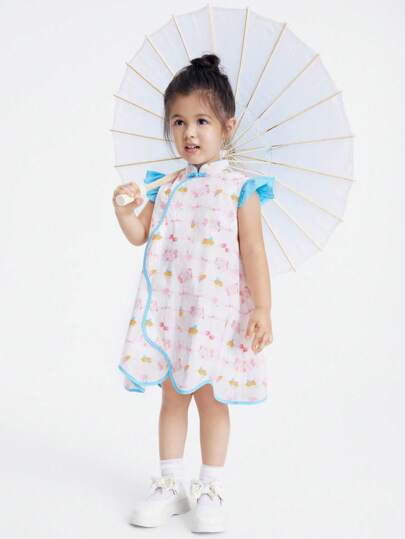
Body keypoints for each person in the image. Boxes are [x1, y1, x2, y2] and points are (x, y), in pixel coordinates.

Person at [112, 53, 274, 533]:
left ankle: (210, 488)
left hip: (216, 315)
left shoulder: (240, 189)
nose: (190, 133)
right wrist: (124, 211)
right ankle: (169, 484)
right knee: (172, 396)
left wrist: (263, 307)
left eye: (202, 121)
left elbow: (254, 251)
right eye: (179, 122)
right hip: (173, 311)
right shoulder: (167, 186)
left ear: (228, 126)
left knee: (210, 397)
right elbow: (140, 235)